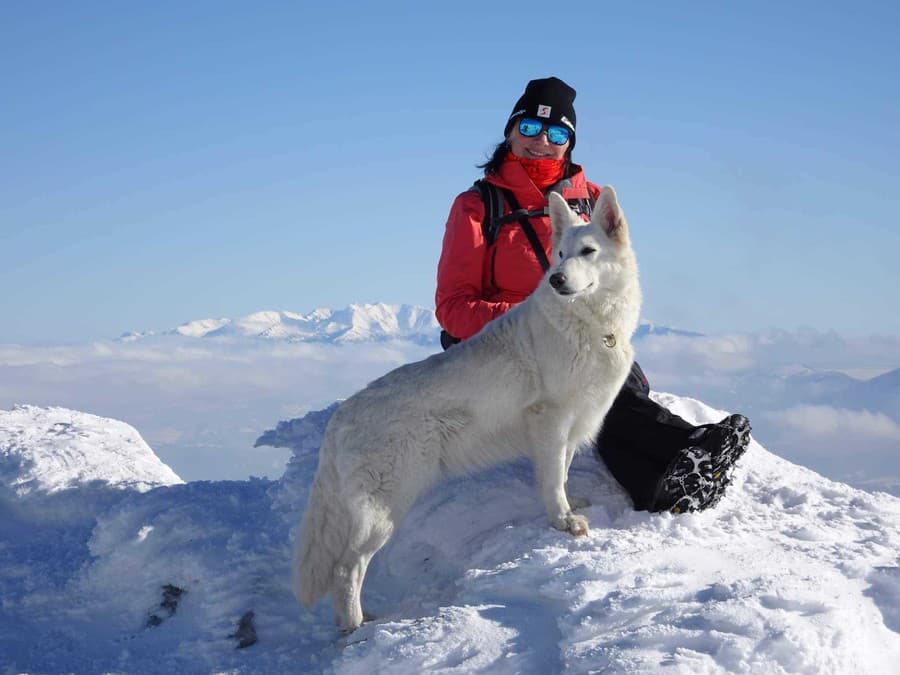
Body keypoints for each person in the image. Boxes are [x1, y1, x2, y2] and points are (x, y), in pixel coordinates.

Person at [435, 76, 751, 513]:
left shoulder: (596, 200)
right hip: (498, 340)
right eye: (529, 128)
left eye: (557, 133)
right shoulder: (478, 206)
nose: (542, 141)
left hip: (581, 330)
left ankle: (662, 484)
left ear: (570, 142)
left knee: (610, 384)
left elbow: (617, 276)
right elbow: (453, 308)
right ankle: (684, 447)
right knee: (584, 380)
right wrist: (538, 319)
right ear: (509, 132)